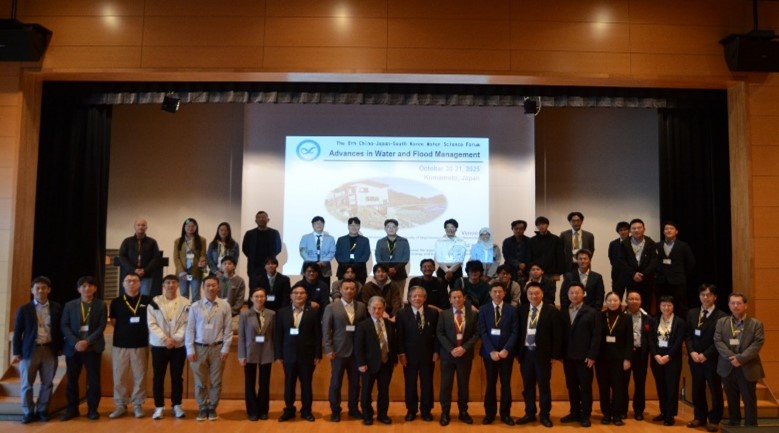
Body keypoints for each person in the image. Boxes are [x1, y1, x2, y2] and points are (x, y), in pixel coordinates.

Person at [12, 276, 62, 424]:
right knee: (27, 384)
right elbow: (18, 332)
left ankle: (42, 410)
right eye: (37, 288)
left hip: (49, 349)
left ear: (49, 290)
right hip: (29, 351)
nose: (41, 291)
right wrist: (17, 352)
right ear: (32, 290)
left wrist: (60, 348)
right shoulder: (24, 309)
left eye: (44, 288)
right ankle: (28, 412)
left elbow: (60, 329)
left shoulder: (57, 308)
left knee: (47, 383)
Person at [185, 276, 233, 421]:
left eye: (214, 285)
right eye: (208, 285)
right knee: (200, 381)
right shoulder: (195, 306)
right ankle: (202, 407)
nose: (211, 288)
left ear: (218, 287)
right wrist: (190, 349)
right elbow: (190, 329)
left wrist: (226, 348)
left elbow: (228, 329)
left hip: (217, 348)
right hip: (198, 348)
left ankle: (212, 407)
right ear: (203, 287)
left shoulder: (225, 305)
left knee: (216, 381)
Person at [515, 282, 563, 428]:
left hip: (543, 355)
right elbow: (517, 332)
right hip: (526, 354)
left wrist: (555, 355)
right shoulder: (522, 310)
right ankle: (530, 412)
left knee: (544, 386)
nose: (534, 296)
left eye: (536, 293)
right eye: (530, 293)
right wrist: (517, 353)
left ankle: (545, 415)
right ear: (527, 295)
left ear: (542, 294)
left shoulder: (551, 311)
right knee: (528, 386)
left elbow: (558, 335)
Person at [714, 292, 765, 427]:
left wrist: (740, 359)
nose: (735, 306)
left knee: (749, 399)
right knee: (731, 398)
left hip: (748, 366)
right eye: (732, 303)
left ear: (745, 305)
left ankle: (750, 425)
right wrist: (732, 357)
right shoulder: (721, 322)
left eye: (739, 303)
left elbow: (757, 343)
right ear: (729, 305)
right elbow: (718, 341)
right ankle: (734, 423)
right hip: (727, 366)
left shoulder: (756, 324)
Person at [60, 276, 107, 421]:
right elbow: (64, 325)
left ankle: (92, 410)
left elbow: (102, 326)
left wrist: (87, 341)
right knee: (72, 380)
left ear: (95, 288)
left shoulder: (101, 305)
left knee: (93, 381)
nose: (87, 288)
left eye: (90, 286)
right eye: (84, 286)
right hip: (73, 348)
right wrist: (76, 342)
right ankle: (72, 409)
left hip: (92, 348)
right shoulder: (70, 305)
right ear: (78, 289)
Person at [322, 278, 368, 422]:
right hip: (338, 351)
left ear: (356, 290)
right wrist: (328, 348)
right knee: (336, 383)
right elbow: (326, 329)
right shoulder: (331, 307)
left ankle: (353, 409)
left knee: (355, 383)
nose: (349, 291)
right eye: (346, 288)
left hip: (356, 352)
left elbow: (364, 329)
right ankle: (335, 410)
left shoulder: (361, 306)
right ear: (340, 290)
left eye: (352, 288)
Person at [275, 285, 322, 422]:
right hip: (288, 355)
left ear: (306, 296)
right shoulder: (282, 312)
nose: (298, 295)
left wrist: (318, 354)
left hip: (307, 355)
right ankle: (289, 409)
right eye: (295, 293)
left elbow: (318, 335)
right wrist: (278, 355)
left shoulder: (313, 312)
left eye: (302, 293)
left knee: (306, 384)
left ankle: (306, 410)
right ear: (291, 296)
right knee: (289, 383)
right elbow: (278, 335)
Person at [108, 273, 151, 419]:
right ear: (123, 283)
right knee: (119, 375)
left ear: (139, 283)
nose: (131, 283)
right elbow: (113, 322)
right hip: (120, 344)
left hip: (140, 344)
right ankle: (121, 404)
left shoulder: (147, 300)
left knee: (140, 375)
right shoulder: (116, 302)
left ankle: (138, 404)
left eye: (135, 281)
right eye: (128, 281)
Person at [685, 284, 727, 432]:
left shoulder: (722, 316)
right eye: (703, 294)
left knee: (715, 389)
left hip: (712, 360)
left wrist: (706, 354)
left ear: (715, 297)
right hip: (695, 359)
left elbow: (720, 340)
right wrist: (692, 352)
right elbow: (688, 336)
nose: (705, 297)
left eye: (709, 295)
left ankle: (714, 420)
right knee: (697, 388)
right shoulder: (692, 313)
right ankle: (699, 417)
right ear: (699, 296)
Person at [147, 275, 190, 420]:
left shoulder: (186, 303)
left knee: (177, 377)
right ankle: (159, 406)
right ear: (163, 285)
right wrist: (165, 339)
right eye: (167, 283)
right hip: (159, 345)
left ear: (178, 285)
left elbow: (187, 323)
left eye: (173, 282)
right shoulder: (154, 302)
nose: (170, 285)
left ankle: (177, 405)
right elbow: (151, 323)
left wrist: (175, 338)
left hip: (178, 346)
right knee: (158, 377)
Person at [478, 281, 519, 425]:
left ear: (504, 293)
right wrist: (491, 351)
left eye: (500, 291)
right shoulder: (483, 309)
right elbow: (482, 331)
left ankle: (505, 414)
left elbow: (515, 331)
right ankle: (489, 414)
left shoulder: (512, 310)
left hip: (506, 354)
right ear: (490, 293)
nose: (497, 294)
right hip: (489, 354)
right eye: (494, 291)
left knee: (506, 383)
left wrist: (506, 349)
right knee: (490, 383)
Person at [436, 287, 479, 426]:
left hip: (465, 355)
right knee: (445, 385)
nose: (457, 299)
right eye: (454, 297)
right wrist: (451, 349)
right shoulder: (444, 314)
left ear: (464, 298)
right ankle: (445, 412)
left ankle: (463, 411)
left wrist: (464, 348)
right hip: (448, 356)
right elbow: (440, 333)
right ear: (450, 300)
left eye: (459, 297)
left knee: (463, 384)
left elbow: (476, 334)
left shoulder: (473, 314)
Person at [396, 286, 440, 422]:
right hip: (409, 356)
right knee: (410, 383)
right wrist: (401, 353)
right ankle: (411, 410)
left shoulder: (433, 313)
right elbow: (399, 336)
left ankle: (426, 410)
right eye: (414, 296)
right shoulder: (402, 313)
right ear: (409, 298)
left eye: (420, 296)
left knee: (427, 383)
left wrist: (436, 351)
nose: (417, 298)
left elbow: (437, 335)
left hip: (428, 354)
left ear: (425, 298)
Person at [561, 282, 601, 428]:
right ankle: (574, 412)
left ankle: (585, 415)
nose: (574, 295)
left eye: (577, 292)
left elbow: (596, 336)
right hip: (568, 357)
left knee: (585, 387)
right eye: (571, 293)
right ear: (568, 295)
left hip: (585, 358)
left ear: (583, 294)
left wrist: (592, 355)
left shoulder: (591, 312)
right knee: (571, 386)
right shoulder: (564, 311)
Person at [355, 296, 398, 425]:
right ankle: (367, 415)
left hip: (386, 363)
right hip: (368, 365)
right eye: (374, 308)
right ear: (368, 309)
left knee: (384, 391)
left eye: (380, 308)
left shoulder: (390, 325)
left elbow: (393, 343)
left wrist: (394, 359)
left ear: (384, 309)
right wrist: (361, 363)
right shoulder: (363, 326)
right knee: (366, 391)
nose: (377, 311)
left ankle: (382, 415)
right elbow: (358, 346)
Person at [238, 288, 276, 421]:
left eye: (262, 296)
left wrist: (276, 353)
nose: (259, 299)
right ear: (251, 298)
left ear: (265, 298)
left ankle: (263, 410)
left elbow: (274, 335)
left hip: (266, 351)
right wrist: (241, 355)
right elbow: (241, 337)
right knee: (250, 383)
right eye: (256, 296)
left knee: (264, 383)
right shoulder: (245, 314)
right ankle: (252, 411)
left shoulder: (272, 314)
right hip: (250, 352)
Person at [596, 292, 633, 426]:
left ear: (620, 302)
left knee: (619, 388)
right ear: (606, 302)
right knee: (604, 387)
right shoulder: (599, 316)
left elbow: (629, 340)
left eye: (615, 300)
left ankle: (617, 414)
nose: (612, 303)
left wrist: (627, 358)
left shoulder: (626, 318)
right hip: (602, 359)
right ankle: (606, 414)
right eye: (610, 300)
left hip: (619, 359)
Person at [648, 295, 685, 426]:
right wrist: (655, 355)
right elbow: (650, 339)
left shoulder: (679, 322)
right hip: (657, 358)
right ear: (659, 306)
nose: (666, 308)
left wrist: (668, 356)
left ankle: (670, 415)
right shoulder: (654, 320)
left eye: (669, 305)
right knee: (661, 386)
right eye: (663, 305)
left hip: (672, 359)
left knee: (672, 387)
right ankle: (663, 412)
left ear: (673, 307)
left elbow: (678, 342)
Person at [655, 221, 695, 318]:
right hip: (661, 281)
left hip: (678, 281)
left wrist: (681, 274)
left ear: (676, 231)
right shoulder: (657, 245)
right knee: (661, 304)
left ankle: (682, 325)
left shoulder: (683, 246)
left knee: (680, 305)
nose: (668, 230)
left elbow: (690, 263)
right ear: (663, 232)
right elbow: (653, 263)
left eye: (671, 228)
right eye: (666, 229)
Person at [623, 290, 651, 421]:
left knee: (640, 383)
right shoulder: (620, 316)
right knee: (622, 383)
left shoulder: (647, 318)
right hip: (624, 355)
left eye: (637, 299)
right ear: (626, 301)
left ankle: (639, 410)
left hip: (640, 354)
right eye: (631, 299)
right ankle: (622, 409)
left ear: (641, 301)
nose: (634, 301)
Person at [619, 218, 657, 313]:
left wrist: (643, 275)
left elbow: (653, 262)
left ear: (644, 229)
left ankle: (645, 321)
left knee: (646, 304)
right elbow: (622, 261)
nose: (636, 230)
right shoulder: (624, 243)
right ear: (630, 230)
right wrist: (633, 274)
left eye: (639, 228)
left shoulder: (651, 243)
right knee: (632, 303)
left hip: (646, 280)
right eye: (634, 228)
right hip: (631, 279)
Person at [117, 218, 161, 296]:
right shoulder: (127, 241)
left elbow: (156, 257)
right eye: (138, 225)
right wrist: (134, 270)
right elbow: (122, 256)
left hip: (146, 275)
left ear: (146, 227)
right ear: (135, 227)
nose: (141, 227)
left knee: (144, 297)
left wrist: (145, 270)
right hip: (130, 275)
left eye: (143, 225)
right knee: (130, 296)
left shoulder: (152, 242)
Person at [242, 210, 282, 290]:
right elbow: (245, 249)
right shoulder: (249, 234)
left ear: (268, 220)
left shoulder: (274, 233)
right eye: (259, 217)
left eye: (263, 217)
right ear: (255, 221)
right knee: (254, 290)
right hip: (254, 268)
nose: (261, 219)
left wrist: (271, 260)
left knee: (270, 289)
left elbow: (278, 248)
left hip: (269, 266)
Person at [174, 217, 208, 302]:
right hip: (183, 273)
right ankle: (185, 311)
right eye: (188, 226)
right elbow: (176, 257)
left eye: (193, 226)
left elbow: (203, 254)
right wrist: (181, 272)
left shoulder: (202, 240)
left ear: (196, 227)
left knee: (196, 295)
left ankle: (195, 311)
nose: (190, 228)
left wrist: (202, 261)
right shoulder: (178, 241)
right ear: (184, 227)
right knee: (183, 295)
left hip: (195, 272)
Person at [375, 218, 411, 292]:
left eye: (393, 227)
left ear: (397, 228)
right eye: (388, 227)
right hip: (384, 274)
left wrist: (395, 269)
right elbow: (378, 258)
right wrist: (387, 269)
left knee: (399, 296)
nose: (391, 229)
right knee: (383, 296)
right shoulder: (380, 242)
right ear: (385, 229)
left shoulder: (404, 241)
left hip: (400, 274)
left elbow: (405, 258)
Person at [299, 215, 336, 284]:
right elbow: (302, 252)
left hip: (324, 268)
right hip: (309, 266)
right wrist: (312, 262)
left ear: (324, 225)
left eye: (321, 223)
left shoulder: (330, 238)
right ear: (313, 225)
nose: (319, 225)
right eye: (316, 223)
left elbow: (332, 252)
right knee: (307, 287)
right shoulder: (305, 237)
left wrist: (322, 262)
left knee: (324, 287)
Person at [335, 217, 371, 284]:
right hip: (343, 270)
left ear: (359, 227)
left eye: (356, 225)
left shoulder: (365, 240)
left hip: (360, 270)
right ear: (348, 226)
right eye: (352, 225)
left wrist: (355, 266)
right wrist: (347, 266)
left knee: (359, 289)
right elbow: (338, 254)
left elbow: (366, 254)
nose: (354, 227)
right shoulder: (341, 240)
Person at [434, 218, 468, 285]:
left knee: (456, 289)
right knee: (441, 289)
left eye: (452, 227)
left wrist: (450, 271)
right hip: (442, 269)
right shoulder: (439, 242)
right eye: (447, 227)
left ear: (456, 229)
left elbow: (460, 258)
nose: (450, 229)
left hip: (456, 270)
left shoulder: (461, 242)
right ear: (445, 229)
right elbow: (439, 257)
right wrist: (447, 271)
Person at [217, 255, 246, 331]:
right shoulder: (217, 280)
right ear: (221, 267)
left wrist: (230, 312)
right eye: (224, 264)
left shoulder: (239, 281)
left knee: (233, 329)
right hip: (218, 312)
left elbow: (240, 300)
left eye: (229, 264)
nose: (227, 266)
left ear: (234, 266)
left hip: (233, 314)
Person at [607, 221, 631, 299]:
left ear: (629, 230)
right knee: (616, 297)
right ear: (618, 231)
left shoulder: (634, 242)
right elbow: (611, 258)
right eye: (621, 230)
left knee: (631, 297)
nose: (623, 232)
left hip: (631, 275)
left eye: (625, 229)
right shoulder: (613, 244)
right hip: (617, 275)